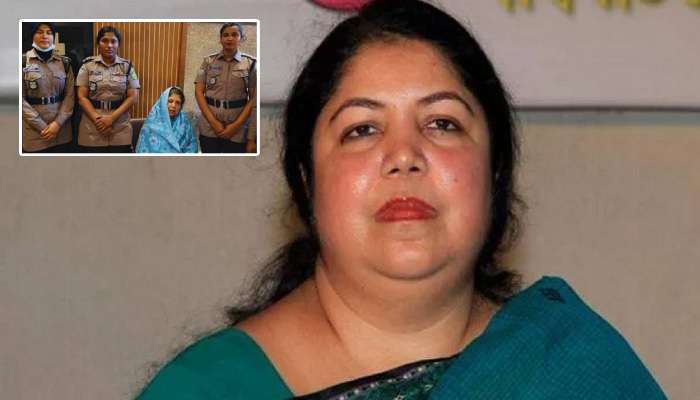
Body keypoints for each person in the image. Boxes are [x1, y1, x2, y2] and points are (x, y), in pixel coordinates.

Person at [138, 1, 666, 399]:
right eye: (362, 129)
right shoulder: (209, 389)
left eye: (442, 123)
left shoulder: (575, 370)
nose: (405, 155)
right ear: (306, 181)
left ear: (495, 173)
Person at [194, 22, 257, 153]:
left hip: (237, 129)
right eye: (225, 35)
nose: (229, 38)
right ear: (220, 39)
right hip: (209, 126)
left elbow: (253, 99)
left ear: (241, 38)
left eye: (234, 35)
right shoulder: (208, 61)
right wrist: (214, 122)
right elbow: (199, 92)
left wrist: (236, 126)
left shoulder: (250, 64)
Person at [76, 26, 140, 153]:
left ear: (118, 44)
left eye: (113, 41)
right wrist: (99, 121)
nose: (109, 45)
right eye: (104, 41)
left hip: (120, 127)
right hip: (92, 126)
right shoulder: (87, 66)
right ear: (98, 44)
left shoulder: (127, 67)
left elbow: (133, 96)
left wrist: (111, 119)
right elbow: (81, 97)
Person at [21, 22, 74, 153]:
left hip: (62, 130)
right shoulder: (22, 62)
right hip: (34, 132)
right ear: (32, 36)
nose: (44, 36)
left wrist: (57, 124)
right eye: (39, 32)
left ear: (53, 37)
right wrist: (41, 126)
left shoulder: (64, 62)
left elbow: (70, 96)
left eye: (49, 33)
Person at [135, 86, 198, 154]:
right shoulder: (151, 123)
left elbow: (192, 146)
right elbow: (143, 151)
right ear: (163, 102)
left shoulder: (184, 123)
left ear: (181, 106)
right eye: (170, 101)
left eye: (177, 103)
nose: (173, 105)